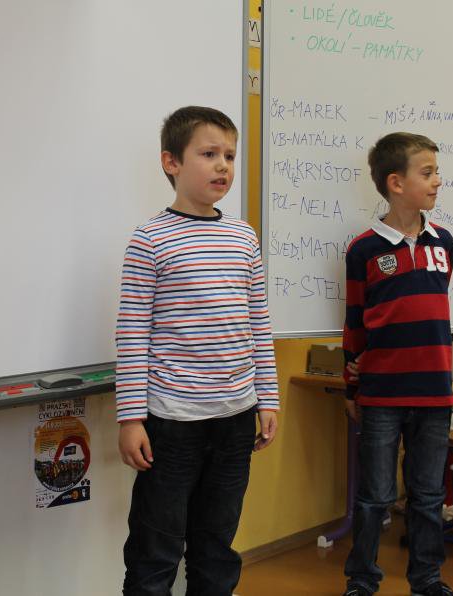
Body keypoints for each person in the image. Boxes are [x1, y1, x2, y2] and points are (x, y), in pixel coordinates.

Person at [115, 105, 279, 594]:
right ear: (172, 162)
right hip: (173, 423)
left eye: (229, 155)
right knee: (156, 550)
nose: (223, 165)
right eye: (208, 154)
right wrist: (131, 419)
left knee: (217, 547)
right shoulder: (150, 240)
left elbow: (258, 324)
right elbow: (132, 334)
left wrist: (268, 399)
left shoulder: (243, 237)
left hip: (235, 419)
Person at [342, 132, 453, 596]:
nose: (437, 181)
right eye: (427, 173)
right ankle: (362, 581)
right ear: (396, 183)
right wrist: (352, 388)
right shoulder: (364, 250)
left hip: (435, 395)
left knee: (428, 497)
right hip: (382, 394)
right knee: (374, 497)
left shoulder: (444, 242)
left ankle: (426, 579)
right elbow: (355, 323)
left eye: (436, 171)